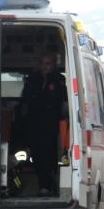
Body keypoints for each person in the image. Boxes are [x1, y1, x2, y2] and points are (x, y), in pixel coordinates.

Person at [21, 51, 67, 196]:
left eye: (48, 63)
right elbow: (25, 101)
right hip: (34, 123)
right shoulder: (32, 79)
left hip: (52, 125)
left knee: (50, 154)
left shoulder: (59, 80)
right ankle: (43, 182)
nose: (45, 66)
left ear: (54, 64)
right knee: (37, 154)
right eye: (42, 63)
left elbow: (64, 103)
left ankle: (47, 184)